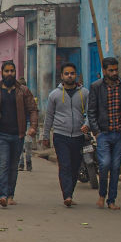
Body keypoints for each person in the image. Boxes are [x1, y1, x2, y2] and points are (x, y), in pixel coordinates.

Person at [0, 61, 38, 207]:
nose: (9, 74)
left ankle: (11, 194)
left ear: (15, 72)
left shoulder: (23, 91)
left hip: (17, 135)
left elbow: (32, 109)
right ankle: (3, 195)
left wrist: (33, 127)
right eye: (7, 71)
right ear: (2, 72)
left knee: (13, 166)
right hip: (0, 135)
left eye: (12, 71)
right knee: (3, 165)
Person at [87, 56, 121, 211]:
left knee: (115, 167)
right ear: (104, 71)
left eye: (116, 70)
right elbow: (92, 111)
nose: (114, 73)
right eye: (111, 70)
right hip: (103, 133)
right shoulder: (96, 87)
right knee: (105, 163)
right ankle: (102, 195)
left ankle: (111, 200)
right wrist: (96, 132)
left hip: (119, 132)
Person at [43, 63, 90, 207]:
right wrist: (45, 136)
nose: (70, 76)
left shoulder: (84, 93)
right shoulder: (54, 95)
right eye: (67, 73)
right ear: (62, 76)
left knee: (75, 166)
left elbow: (90, 112)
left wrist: (87, 125)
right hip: (60, 135)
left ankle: (70, 192)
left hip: (78, 135)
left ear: (76, 75)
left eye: (72, 73)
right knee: (65, 165)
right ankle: (67, 195)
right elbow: (49, 116)